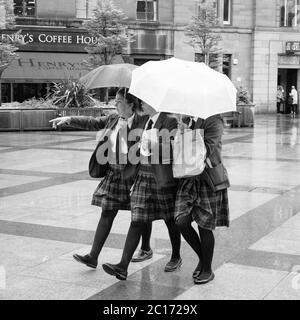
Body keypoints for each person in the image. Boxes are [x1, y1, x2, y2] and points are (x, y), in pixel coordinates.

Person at [49, 88, 151, 269]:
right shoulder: (113, 118)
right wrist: (69, 119)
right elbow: (93, 122)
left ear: (130, 104)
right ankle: (93, 256)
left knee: (140, 215)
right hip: (114, 174)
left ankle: (145, 248)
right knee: (107, 212)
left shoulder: (144, 121)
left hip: (134, 175)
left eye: (118, 101)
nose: (115, 104)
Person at [102, 102, 182, 280]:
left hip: (160, 177)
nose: (141, 104)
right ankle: (123, 266)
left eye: (144, 101)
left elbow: (173, 148)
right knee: (137, 220)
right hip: (142, 176)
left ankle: (176, 255)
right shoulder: (145, 120)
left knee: (170, 219)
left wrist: (151, 144)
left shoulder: (170, 121)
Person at [174, 115, 230, 285]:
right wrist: (181, 133)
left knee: (204, 227)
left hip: (207, 179)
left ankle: (207, 269)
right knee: (181, 221)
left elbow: (206, 148)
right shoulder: (189, 120)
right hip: (189, 178)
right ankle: (202, 258)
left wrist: (186, 135)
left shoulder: (214, 121)